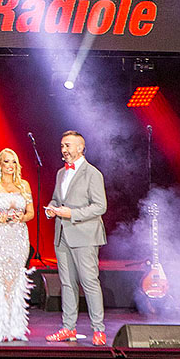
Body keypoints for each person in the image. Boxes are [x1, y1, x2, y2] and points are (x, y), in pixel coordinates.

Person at [43, 130, 107, 345]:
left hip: (85, 235)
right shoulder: (61, 173)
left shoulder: (93, 173)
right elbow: (56, 199)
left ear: (80, 148)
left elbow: (100, 206)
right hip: (62, 234)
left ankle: (98, 330)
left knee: (89, 282)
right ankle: (68, 328)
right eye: (62, 146)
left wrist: (72, 213)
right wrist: (51, 209)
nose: (64, 150)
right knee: (67, 283)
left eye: (68, 145)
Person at [0, 148, 35, 342]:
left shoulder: (24, 186)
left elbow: (31, 213)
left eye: (13, 162)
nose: (10, 165)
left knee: (16, 280)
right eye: (6, 162)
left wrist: (22, 217)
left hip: (18, 237)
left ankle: (15, 327)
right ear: (0, 164)